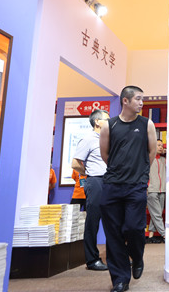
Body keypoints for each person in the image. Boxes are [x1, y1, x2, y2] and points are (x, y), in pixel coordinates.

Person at [100, 86, 157, 292]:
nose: (142, 103)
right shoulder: (109, 125)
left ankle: (137, 257)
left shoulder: (146, 124)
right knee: (113, 234)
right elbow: (105, 154)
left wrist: (140, 173)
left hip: (136, 185)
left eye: (142, 99)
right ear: (125, 101)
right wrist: (119, 171)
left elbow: (152, 152)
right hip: (112, 185)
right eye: (138, 99)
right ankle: (120, 280)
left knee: (133, 228)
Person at [71, 109, 110, 272]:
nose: (110, 122)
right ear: (97, 122)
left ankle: (115, 258)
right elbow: (75, 164)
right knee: (93, 222)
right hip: (95, 181)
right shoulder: (88, 139)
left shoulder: (108, 139)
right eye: (107, 119)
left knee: (113, 221)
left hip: (110, 182)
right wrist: (90, 173)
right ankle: (92, 260)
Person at [146, 139, 166, 244]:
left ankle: (150, 236)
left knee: (156, 213)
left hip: (162, 190)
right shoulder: (148, 159)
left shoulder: (163, 159)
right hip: (152, 190)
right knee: (157, 214)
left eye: (162, 145)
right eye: (158, 145)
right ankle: (165, 235)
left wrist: (166, 152)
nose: (161, 147)